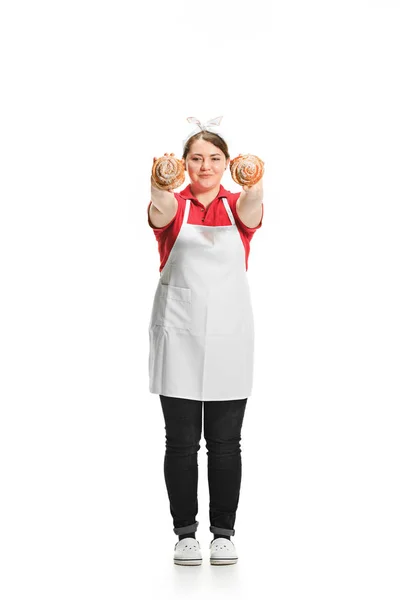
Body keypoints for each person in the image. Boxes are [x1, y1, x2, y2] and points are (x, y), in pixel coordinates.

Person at [147, 116, 264, 566]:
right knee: (179, 442)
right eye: (196, 158)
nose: (205, 165)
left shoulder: (240, 207)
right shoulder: (175, 207)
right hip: (179, 334)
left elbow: (254, 206)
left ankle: (223, 534)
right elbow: (159, 205)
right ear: (184, 164)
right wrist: (159, 181)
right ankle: (184, 534)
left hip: (230, 336)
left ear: (227, 163)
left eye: (214, 158)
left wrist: (254, 180)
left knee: (226, 442)